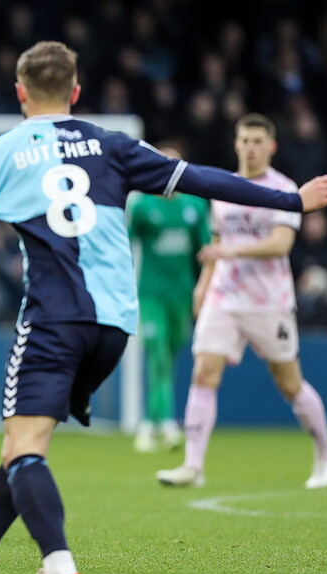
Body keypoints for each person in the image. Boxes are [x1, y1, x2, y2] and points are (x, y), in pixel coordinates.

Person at [0, 42, 327, 574]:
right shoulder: (113, 144)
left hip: (54, 319)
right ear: (75, 92)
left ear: (20, 93)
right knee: (24, 442)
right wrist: (290, 201)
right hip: (115, 325)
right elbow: (200, 179)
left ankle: (59, 570)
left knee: (25, 447)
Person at [156, 114, 327, 489]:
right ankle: (193, 466)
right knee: (203, 372)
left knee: (289, 383)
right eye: (245, 140)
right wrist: (203, 285)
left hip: (268, 301)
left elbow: (280, 244)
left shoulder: (284, 189)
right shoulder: (224, 188)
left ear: (271, 147)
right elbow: (216, 240)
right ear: (236, 144)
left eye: (258, 141)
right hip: (224, 296)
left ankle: (326, 455)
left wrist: (229, 252)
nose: (251, 148)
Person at [127, 145, 212, 453]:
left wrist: (204, 289)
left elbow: (206, 252)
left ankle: (153, 422)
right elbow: (124, 243)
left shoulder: (195, 207)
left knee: (171, 359)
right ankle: (162, 424)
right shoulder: (143, 207)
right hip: (151, 296)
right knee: (158, 356)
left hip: (182, 297)